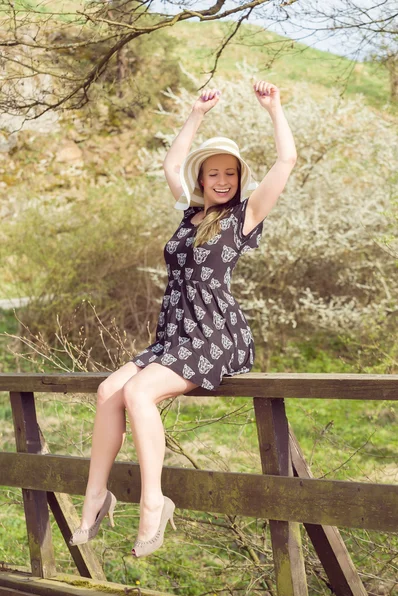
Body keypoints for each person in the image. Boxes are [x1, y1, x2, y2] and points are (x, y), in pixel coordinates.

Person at [69, 80, 297, 558]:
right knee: (109, 391)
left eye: (230, 174)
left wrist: (273, 109)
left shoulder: (244, 216)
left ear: (238, 180)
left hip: (215, 331)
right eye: (213, 173)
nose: (221, 180)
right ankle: (96, 494)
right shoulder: (189, 212)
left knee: (137, 392)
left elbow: (286, 163)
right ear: (202, 178)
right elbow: (171, 163)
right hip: (175, 333)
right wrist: (195, 114)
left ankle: (154, 502)